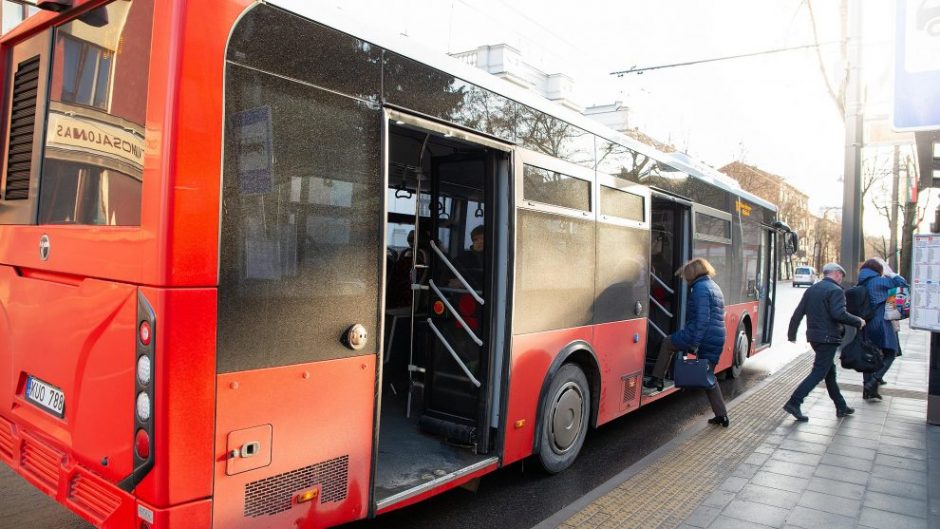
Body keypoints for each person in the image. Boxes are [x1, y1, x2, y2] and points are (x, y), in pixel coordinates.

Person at [643, 258, 730, 427]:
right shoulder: (713, 286)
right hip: (716, 337)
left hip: (702, 336)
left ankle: (657, 379)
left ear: (693, 274)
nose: (685, 279)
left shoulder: (700, 289)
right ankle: (722, 415)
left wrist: (694, 344)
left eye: (686, 275)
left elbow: (702, 321)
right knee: (708, 377)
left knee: (668, 343)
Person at [783, 262, 865, 422]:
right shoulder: (835, 291)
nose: (841, 279)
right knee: (819, 372)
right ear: (836, 274)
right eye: (841, 275)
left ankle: (841, 406)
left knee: (829, 373)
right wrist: (858, 321)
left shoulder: (812, 289)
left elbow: (798, 313)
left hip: (815, 337)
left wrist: (791, 334)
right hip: (828, 338)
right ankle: (794, 402)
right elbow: (838, 313)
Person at [856, 258, 908, 401]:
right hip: (880, 323)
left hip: (865, 324)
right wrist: (893, 275)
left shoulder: (862, 281)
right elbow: (903, 285)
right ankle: (874, 380)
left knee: (869, 356)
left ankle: (868, 391)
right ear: (877, 269)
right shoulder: (879, 281)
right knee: (891, 352)